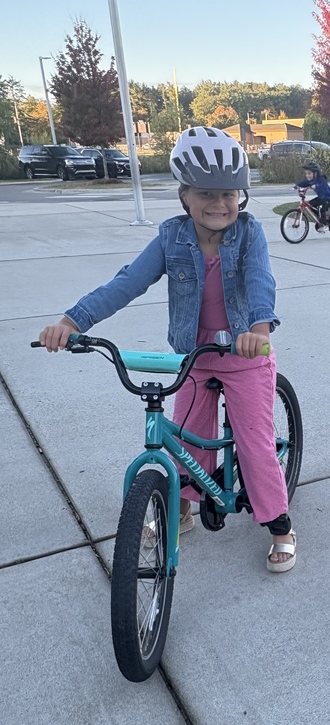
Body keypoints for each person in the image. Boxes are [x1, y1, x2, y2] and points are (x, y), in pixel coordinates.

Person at [38, 127, 298, 574]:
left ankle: (279, 525)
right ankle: (180, 508)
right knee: (183, 438)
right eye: (205, 194)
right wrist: (72, 322)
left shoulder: (250, 235)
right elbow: (127, 282)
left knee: (255, 444)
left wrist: (258, 330)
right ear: (183, 196)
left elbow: (260, 283)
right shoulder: (170, 239)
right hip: (195, 356)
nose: (218, 204)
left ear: (242, 196)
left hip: (246, 356)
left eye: (228, 194)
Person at [295, 161, 330, 230]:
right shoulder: (310, 180)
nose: (307, 175)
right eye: (306, 173)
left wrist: (316, 186)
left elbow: (323, 185)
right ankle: (322, 219)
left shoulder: (321, 179)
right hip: (321, 198)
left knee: (322, 209)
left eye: (309, 173)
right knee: (310, 205)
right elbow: (303, 183)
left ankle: (323, 224)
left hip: (329, 198)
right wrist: (296, 186)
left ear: (315, 173)